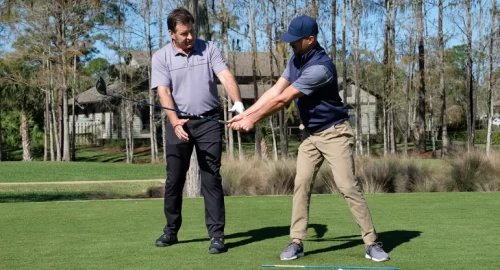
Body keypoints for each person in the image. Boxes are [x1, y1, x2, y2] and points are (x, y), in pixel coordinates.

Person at [228, 15, 389, 262]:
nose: (290, 44)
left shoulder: (320, 68)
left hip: (335, 133)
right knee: (301, 183)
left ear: (310, 39)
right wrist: (245, 114)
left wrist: (253, 120)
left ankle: (371, 242)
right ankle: (296, 241)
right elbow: (274, 90)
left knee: (347, 186)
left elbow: (284, 99)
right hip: (311, 136)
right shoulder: (296, 60)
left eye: (295, 40)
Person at [151, 7, 244, 254]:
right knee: (174, 180)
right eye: (184, 33)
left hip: (209, 121)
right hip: (178, 122)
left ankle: (216, 236)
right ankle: (171, 231)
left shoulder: (209, 48)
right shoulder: (161, 57)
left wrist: (238, 106)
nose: (190, 37)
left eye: (191, 31)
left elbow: (224, 75)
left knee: (211, 178)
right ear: (172, 34)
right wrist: (174, 121)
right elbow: (164, 92)